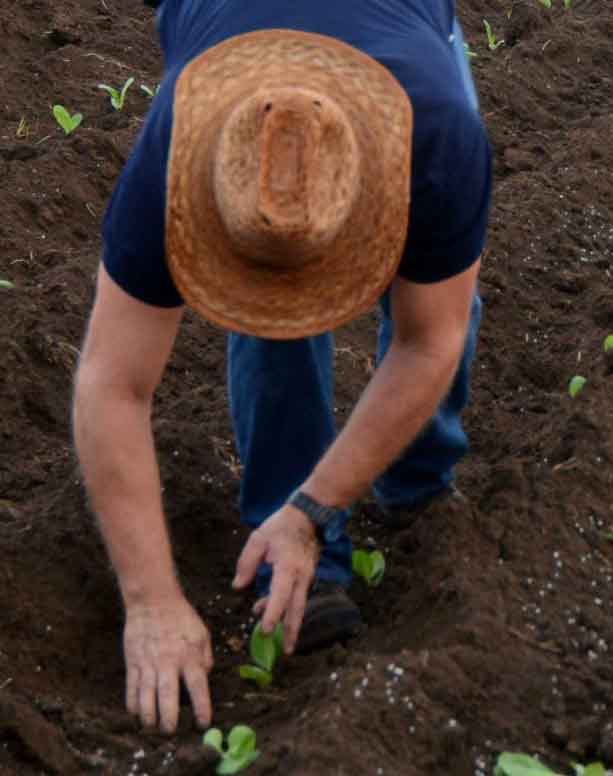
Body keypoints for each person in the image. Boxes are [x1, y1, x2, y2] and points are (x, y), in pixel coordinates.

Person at [72, 0, 491, 735]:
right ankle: (296, 544)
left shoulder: (438, 127)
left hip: (404, 42)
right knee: (270, 314)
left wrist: (319, 503)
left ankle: (417, 483)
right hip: (228, 44)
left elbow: (431, 339)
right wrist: (150, 601)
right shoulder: (180, 141)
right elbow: (111, 381)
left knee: (439, 302)